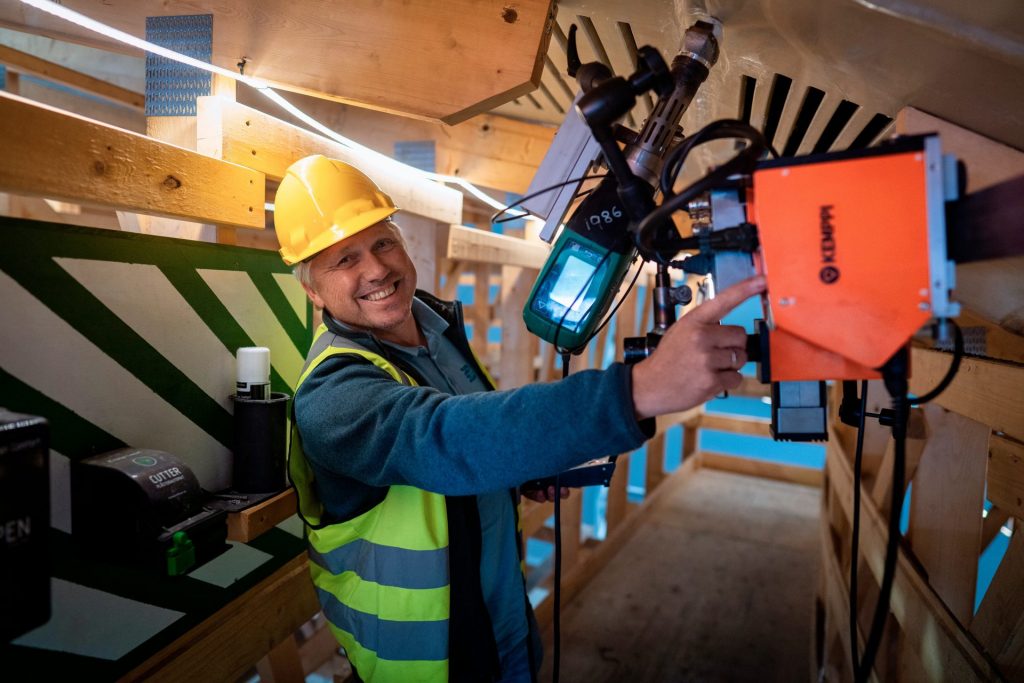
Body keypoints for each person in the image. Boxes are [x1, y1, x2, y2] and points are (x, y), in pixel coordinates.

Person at [275, 154, 764, 683]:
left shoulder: (435, 332)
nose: (375, 268)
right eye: (344, 260)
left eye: (383, 242)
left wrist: (518, 470)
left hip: (504, 622)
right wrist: (640, 388)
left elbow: (473, 441)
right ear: (312, 289)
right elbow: (445, 440)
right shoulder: (333, 394)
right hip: (430, 663)